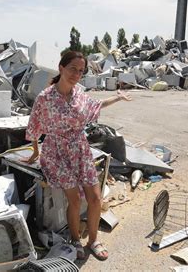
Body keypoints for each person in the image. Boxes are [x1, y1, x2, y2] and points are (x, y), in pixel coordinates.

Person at [24, 50, 131, 261]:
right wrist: (36, 151)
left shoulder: (80, 95)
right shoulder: (45, 98)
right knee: (73, 200)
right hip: (56, 153)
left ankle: (93, 240)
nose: (76, 74)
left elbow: (96, 106)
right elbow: (34, 125)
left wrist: (117, 97)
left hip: (80, 150)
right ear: (61, 68)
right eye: (73, 68)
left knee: (95, 197)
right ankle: (75, 239)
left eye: (81, 71)